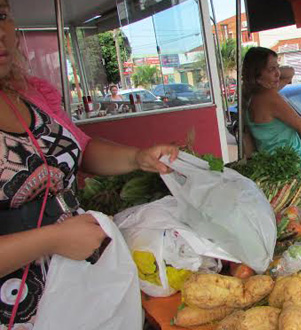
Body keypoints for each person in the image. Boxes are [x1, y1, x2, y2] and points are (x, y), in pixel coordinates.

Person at [0, 1, 179, 327]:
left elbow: (80, 150)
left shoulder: (29, 95)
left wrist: (138, 158)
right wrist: (52, 240)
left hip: (81, 289)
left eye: (1, 15)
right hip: (18, 311)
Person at [241, 47, 301, 162]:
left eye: (278, 67)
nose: (278, 73)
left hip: (269, 163)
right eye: (271, 69)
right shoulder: (269, 97)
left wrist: (272, 70)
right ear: (257, 73)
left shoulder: (250, 96)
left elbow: (290, 72)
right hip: (289, 167)